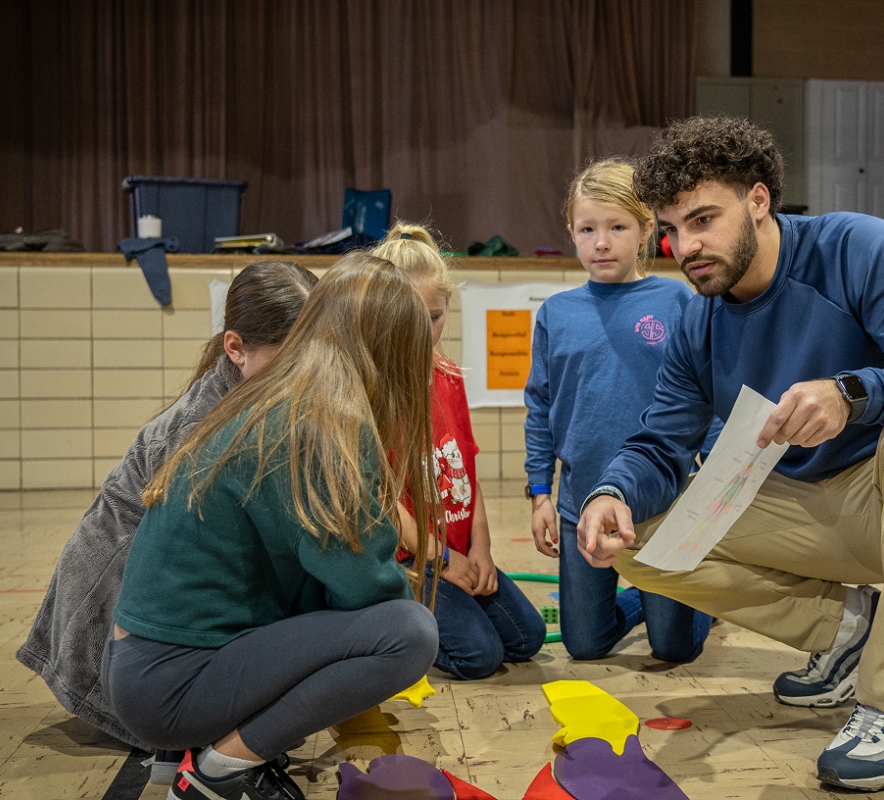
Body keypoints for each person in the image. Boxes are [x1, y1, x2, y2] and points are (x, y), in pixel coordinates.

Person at [577, 117, 884, 792]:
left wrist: (853, 393)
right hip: (815, 513)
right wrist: (612, 493)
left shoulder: (857, 248)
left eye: (703, 220)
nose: (685, 246)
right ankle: (848, 632)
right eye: (672, 228)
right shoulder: (700, 319)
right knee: (639, 540)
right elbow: (661, 443)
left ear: (758, 201)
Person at [101, 251, 441, 800]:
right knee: (409, 632)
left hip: (142, 666)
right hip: (168, 682)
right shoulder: (323, 420)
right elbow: (364, 587)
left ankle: (206, 751)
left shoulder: (277, 394)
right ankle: (218, 773)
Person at [16, 260, 319, 779]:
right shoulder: (205, 426)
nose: (307, 372)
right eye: (291, 358)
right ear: (235, 348)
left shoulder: (253, 394)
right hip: (115, 598)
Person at [525, 159, 711, 663]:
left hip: (665, 503)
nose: (601, 243)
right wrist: (540, 493)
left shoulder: (677, 300)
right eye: (587, 229)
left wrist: (718, 483)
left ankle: (704, 604)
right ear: (572, 233)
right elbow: (539, 406)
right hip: (578, 502)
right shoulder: (555, 313)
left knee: (675, 649)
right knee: (585, 646)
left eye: (617, 227)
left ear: (648, 229)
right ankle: (639, 602)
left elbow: (707, 396)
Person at [371, 222, 546, 680]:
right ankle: (389, 622)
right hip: (410, 562)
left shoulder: (448, 375)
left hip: (456, 551)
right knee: (479, 658)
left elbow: (468, 471)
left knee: (525, 639)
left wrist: (482, 549)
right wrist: (443, 561)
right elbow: (384, 504)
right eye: (409, 317)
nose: (424, 331)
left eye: (434, 316)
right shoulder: (374, 391)